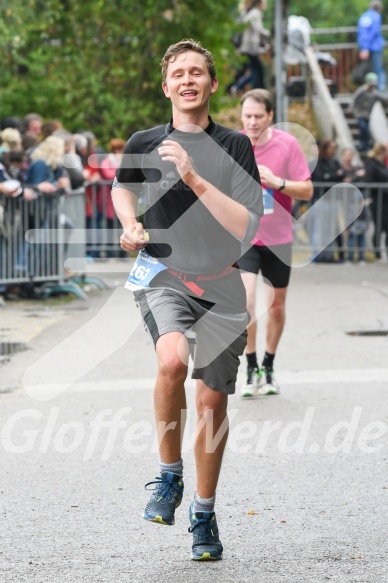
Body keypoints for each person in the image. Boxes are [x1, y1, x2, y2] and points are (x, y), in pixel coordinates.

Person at [111, 39, 262, 561]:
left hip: (222, 281)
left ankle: (203, 510)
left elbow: (246, 226)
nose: (188, 79)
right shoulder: (145, 140)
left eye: (198, 71)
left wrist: (195, 178)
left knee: (211, 402)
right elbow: (121, 187)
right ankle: (169, 476)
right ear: (166, 85)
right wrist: (130, 224)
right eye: (179, 73)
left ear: (213, 84)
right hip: (163, 275)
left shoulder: (236, 146)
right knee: (171, 360)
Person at [238, 89, 312, 397]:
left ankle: (269, 364)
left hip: (278, 238)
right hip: (243, 237)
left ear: (270, 116)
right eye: (247, 116)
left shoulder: (287, 144)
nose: (252, 122)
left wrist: (277, 182)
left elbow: (307, 190)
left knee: (277, 307)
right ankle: (250, 365)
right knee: (247, 302)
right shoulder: (233, 144)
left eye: (258, 116)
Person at [230, 0, 270, 95]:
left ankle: (235, 88)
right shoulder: (255, 13)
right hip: (249, 49)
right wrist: (272, 35)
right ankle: (256, 91)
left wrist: (264, 44)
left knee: (252, 71)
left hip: (245, 48)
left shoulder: (247, 12)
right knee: (258, 70)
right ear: (260, 3)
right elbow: (259, 30)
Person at [363, 142, 388, 261]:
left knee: (386, 227)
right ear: (382, 152)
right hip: (377, 199)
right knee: (378, 226)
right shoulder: (371, 163)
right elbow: (369, 181)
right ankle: (377, 253)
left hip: (385, 200)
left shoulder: (382, 164)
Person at [352, 72, 388, 151]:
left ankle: (365, 144)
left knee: (366, 129)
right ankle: (362, 143)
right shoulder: (361, 91)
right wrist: (353, 109)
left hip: (368, 115)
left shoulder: (375, 93)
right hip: (360, 113)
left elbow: (384, 99)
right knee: (363, 127)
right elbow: (354, 100)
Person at [357, 0, 386, 91]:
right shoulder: (376, 16)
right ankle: (380, 91)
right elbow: (374, 32)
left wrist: (364, 48)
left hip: (364, 47)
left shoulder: (364, 16)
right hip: (376, 47)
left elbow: (362, 34)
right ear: (379, 8)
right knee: (378, 70)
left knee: (368, 70)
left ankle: (369, 90)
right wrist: (366, 48)